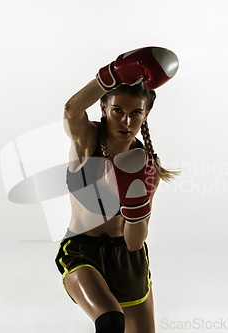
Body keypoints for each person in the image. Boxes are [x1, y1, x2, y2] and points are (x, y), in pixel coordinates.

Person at [55, 47, 179, 333]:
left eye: (136, 113)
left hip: (128, 257)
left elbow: (135, 241)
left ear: (146, 114)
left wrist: (136, 208)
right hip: (82, 253)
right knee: (111, 320)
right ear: (103, 108)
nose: (126, 121)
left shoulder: (147, 164)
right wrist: (110, 75)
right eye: (117, 111)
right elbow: (72, 109)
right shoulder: (86, 140)